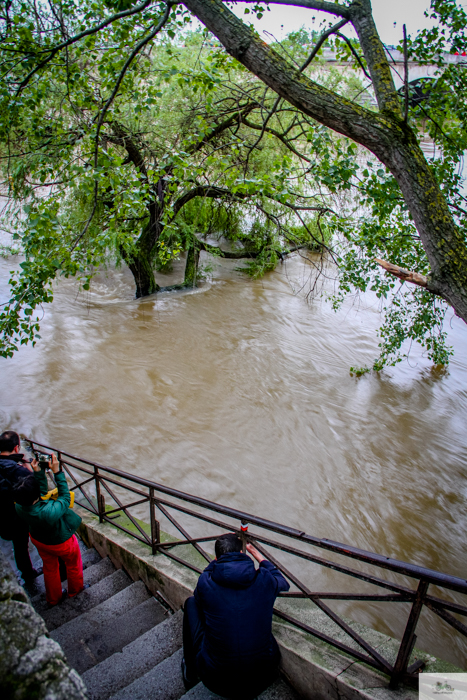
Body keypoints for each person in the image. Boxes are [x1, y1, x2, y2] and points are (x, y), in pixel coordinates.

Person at [182, 532, 290, 699]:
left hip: (215, 680)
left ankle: (190, 672)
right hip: (264, 675)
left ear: (217, 559)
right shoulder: (264, 580)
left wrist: (215, 564)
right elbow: (283, 583)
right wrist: (257, 555)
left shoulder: (206, 583)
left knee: (190, 603)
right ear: (242, 553)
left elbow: (198, 598)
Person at [14, 451, 84, 606]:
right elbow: (65, 498)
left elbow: (41, 493)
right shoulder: (47, 512)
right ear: (35, 495)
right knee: (73, 564)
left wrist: (38, 473)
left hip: (39, 540)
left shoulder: (20, 506)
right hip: (61, 541)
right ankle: (75, 591)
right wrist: (57, 472)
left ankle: (53, 598)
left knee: (50, 568)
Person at [0, 430, 42, 583]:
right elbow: (35, 488)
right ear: (17, 448)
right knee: (20, 545)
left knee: (17, 545)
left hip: (2, 517)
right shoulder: (18, 470)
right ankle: (29, 574)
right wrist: (30, 470)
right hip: (16, 516)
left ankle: (27, 574)